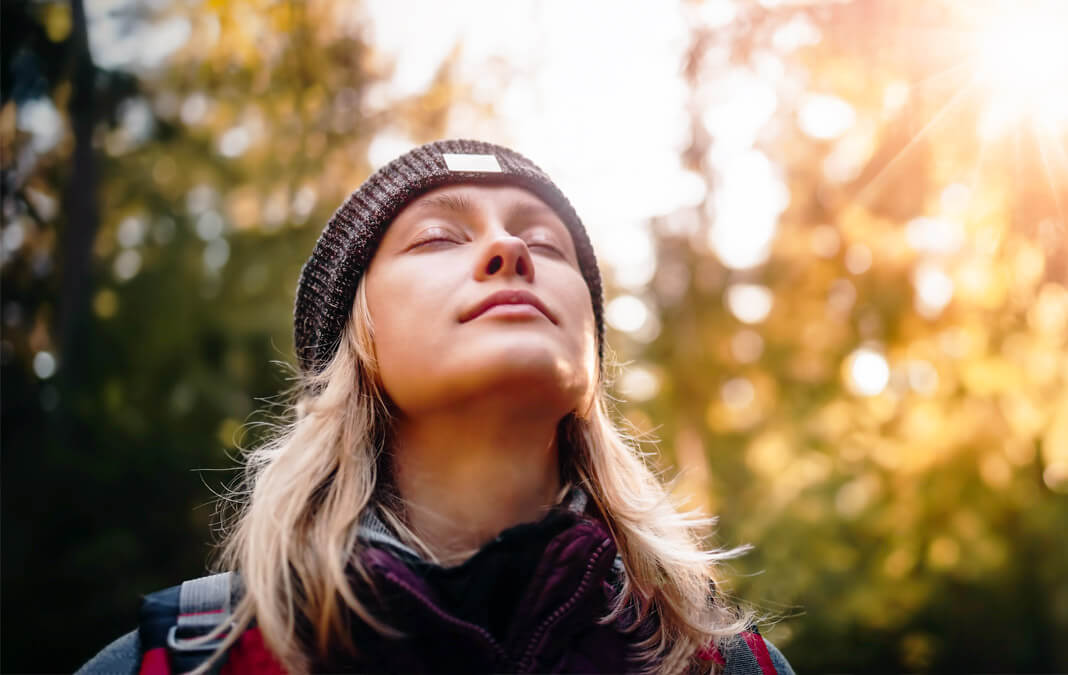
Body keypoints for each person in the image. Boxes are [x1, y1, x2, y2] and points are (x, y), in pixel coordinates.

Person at [78, 139, 794, 674]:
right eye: (439, 237)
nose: (511, 248)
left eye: (546, 243)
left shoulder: (728, 665)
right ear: (356, 343)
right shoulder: (181, 658)